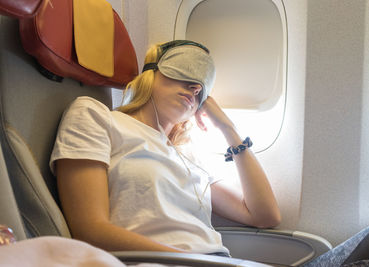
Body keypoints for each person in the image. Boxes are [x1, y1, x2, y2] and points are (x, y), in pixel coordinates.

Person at [49, 40, 281, 256]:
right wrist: (189, 260)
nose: (195, 87)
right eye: (186, 70)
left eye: (203, 85)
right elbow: (91, 231)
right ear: (152, 71)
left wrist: (228, 129)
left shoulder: (189, 156)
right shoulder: (96, 117)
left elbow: (265, 215)